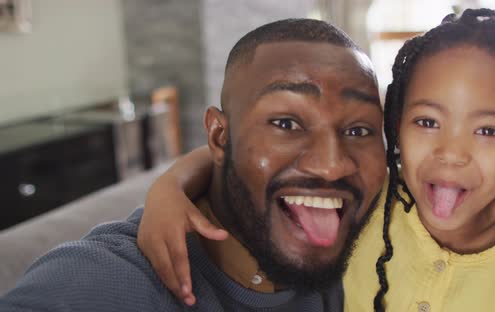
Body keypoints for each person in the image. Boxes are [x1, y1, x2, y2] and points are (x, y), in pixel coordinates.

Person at [137, 9, 495, 311]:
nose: (452, 153)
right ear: (395, 126)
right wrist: (171, 188)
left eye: (488, 131)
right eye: (428, 122)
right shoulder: (372, 204)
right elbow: (247, 160)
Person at [0, 18, 388, 311]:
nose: (332, 165)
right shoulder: (106, 280)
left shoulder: (382, 241)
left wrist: (176, 179)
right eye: (286, 123)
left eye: (358, 130)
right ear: (220, 136)